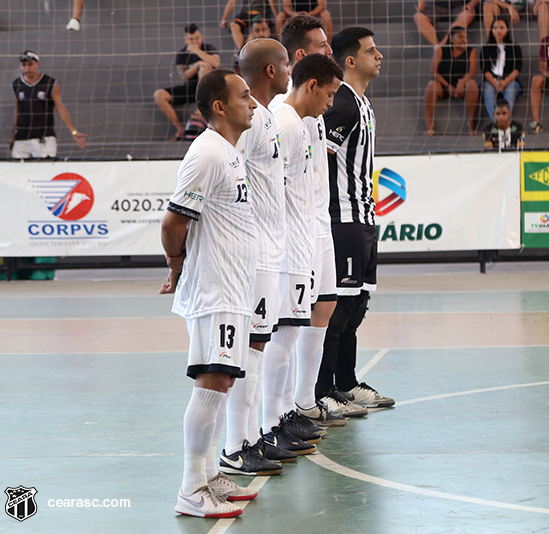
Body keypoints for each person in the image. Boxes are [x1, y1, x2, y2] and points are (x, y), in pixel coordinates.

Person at [160, 67, 260, 518]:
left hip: (234, 288)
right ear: (219, 107)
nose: (254, 103)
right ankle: (189, 488)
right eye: (244, 96)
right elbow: (173, 221)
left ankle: (206, 477)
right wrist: (176, 265)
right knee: (213, 381)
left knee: (223, 381)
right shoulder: (207, 154)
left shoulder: (230, 151)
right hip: (215, 289)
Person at [222, 39, 299, 470]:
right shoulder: (247, 118)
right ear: (271, 70)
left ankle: (252, 435)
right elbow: (229, 178)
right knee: (249, 352)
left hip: (272, 250)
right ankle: (237, 445)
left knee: (259, 346)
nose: (291, 70)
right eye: (286, 63)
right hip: (251, 253)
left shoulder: (266, 116)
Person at [271, 15, 347, 430]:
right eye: (322, 46)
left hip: (317, 224)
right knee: (288, 324)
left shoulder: (314, 112)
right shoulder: (286, 114)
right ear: (302, 58)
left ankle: (303, 399)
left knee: (325, 305)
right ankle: (282, 410)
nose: (329, 50)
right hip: (293, 234)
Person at [318, 27, 395, 416]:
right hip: (342, 220)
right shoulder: (344, 105)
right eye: (371, 51)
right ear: (351, 61)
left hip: (364, 219)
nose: (379, 55)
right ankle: (324, 390)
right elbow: (319, 160)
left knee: (358, 305)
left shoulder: (362, 104)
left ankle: (346, 384)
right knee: (339, 309)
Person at [11, 50, 88, 159]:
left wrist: (73, 131)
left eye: (30, 64)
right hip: (22, 137)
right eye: (24, 65)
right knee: (18, 171)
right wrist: (13, 134)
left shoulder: (49, 83)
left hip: (44, 137)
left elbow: (60, 107)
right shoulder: (16, 84)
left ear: (37, 64)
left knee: (43, 170)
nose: (27, 68)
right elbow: (18, 109)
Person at [154, 24, 221, 141]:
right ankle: (180, 128)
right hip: (190, 87)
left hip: (209, 88)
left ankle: (200, 108)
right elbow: (184, 76)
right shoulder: (182, 53)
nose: (195, 41)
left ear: (201, 37)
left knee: (205, 67)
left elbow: (216, 63)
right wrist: (197, 65)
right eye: (191, 39)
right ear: (186, 40)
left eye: (197, 38)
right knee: (159, 95)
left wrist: (197, 52)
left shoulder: (208, 48)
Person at [423, 26, 480, 136]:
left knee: (472, 84)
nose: (464, 40)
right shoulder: (441, 50)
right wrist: (447, 86)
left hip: (462, 86)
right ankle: (429, 125)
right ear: (451, 38)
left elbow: (472, 73)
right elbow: (434, 73)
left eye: (466, 37)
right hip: (444, 85)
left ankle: (472, 123)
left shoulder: (471, 51)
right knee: (432, 86)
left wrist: (462, 82)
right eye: (460, 37)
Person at [480, 16, 523, 119]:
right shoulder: (486, 48)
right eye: (495, 28)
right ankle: (496, 122)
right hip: (492, 81)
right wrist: (495, 83)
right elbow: (485, 70)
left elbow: (517, 69)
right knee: (487, 90)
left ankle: (505, 120)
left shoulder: (514, 47)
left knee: (510, 91)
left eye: (501, 28)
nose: (498, 30)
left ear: (507, 30)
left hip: (510, 80)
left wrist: (505, 82)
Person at [414, 0, 480, 47]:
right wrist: (421, 5)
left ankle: (444, 44)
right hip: (436, 6)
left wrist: (471, 4)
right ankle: (437, 48)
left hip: (460, 5)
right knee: (419, 17)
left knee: (467, 15)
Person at [483, 0, 549, 42]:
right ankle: (491, 44)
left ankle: (544, 45)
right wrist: (509, 7)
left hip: (528, 6)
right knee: (487, 7)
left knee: (543, 6)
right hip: (506, 7)